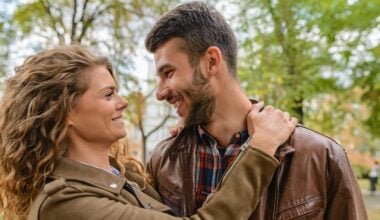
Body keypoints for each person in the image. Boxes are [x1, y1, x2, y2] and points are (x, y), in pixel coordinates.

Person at [0, 45, 297, 220]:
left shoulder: (121, 176)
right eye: (108, 95)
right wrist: (260, 148)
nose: (123, 102)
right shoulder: (65, 202)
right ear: (64, 113)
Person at [145, 1, 367, 219]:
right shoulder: (163, 161)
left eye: (169, 73)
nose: (160, 93)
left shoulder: (322, 157)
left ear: (211, 62)